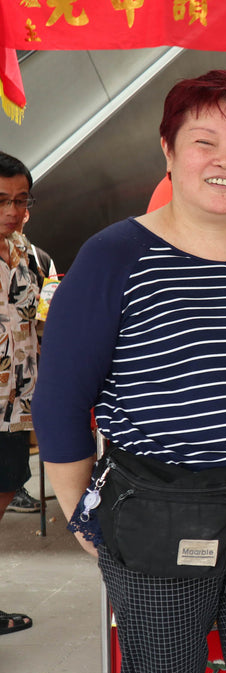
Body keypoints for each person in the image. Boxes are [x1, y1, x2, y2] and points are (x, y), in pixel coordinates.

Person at [32, 70, 226, 673]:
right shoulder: (114, 255)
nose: (225, 161)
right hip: (152, 512)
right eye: (204, 142)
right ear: (168, 150)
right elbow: (60, 400)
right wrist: (81, 514)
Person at [0, 150, 41, 636]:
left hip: (18, 404)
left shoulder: (26, 251)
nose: (12, 211)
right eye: (2, 201)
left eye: (21, 200)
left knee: (9, 485)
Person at [4, 205, 57, 516]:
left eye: (21, 202)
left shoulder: (38, 258)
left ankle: (15, 489)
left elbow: (49, 308)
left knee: (17, 436)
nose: (13, 211)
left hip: (23, 369)